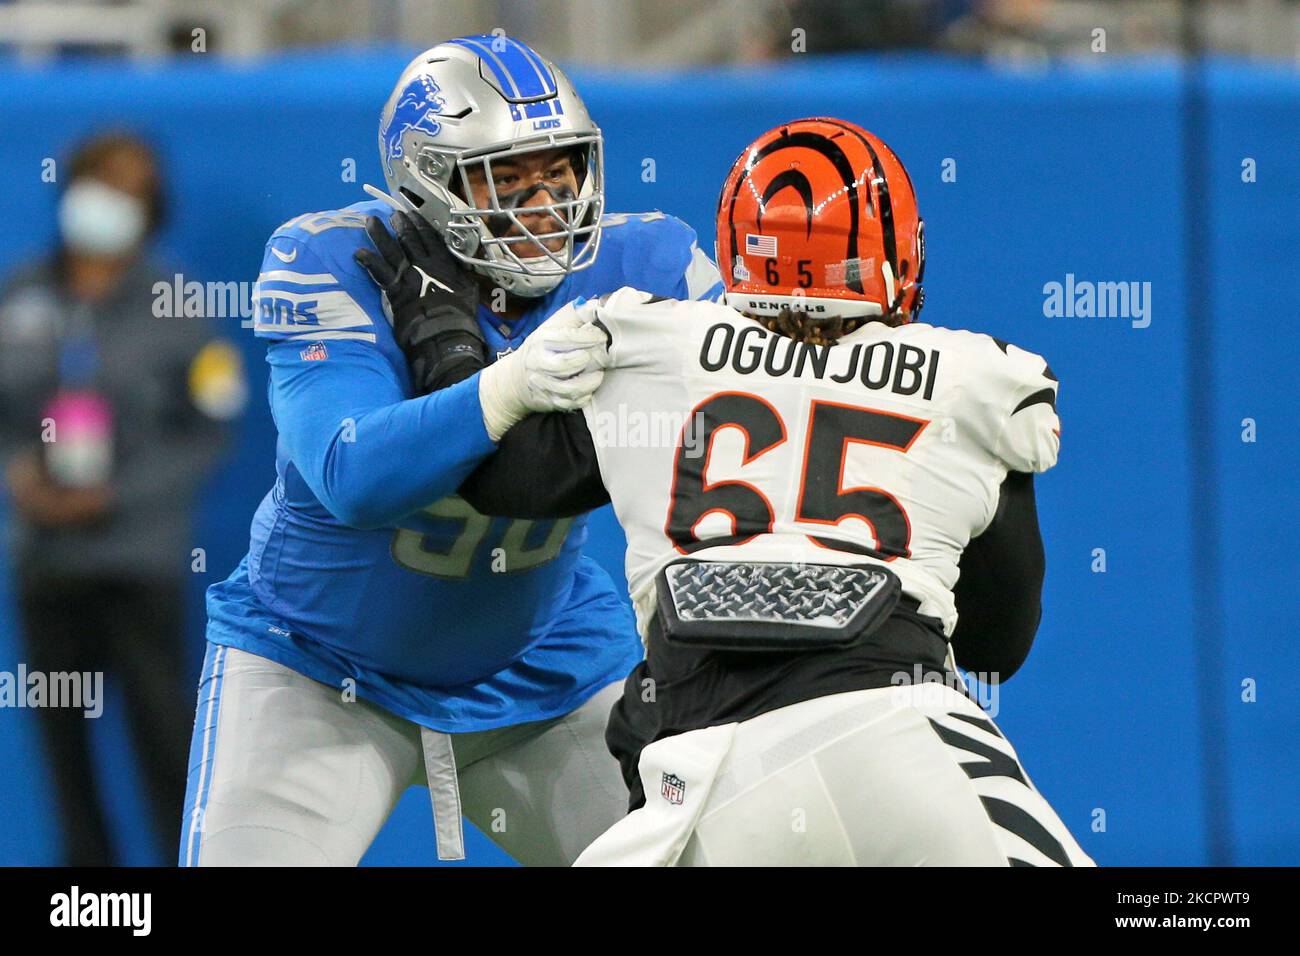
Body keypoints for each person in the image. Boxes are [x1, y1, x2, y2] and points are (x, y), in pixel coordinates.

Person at [442, 117, 1094, 866]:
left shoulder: (647, 348)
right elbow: (997, 647)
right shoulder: (975, 382)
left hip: (694, 782)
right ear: (897, 251)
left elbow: (488, 472)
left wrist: (443, 328)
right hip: (894, 735)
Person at [180, 34, 724, 866]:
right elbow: (351, 474)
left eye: (561, 170)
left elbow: (754, 410)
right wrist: (502, 390)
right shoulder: (333, 259)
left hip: (545, 660)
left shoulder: (647, 259)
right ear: (426, 183)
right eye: (506, 178)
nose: (547, 204)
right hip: (318, 665)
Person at [0, 131, 245, 865]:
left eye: (130, 190)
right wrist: (17, 474)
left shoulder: (179, 303)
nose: (110, 201)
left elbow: (210, 429)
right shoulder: (18, 295)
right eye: (99, 182)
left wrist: (119, 495)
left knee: (163, 740)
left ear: (150, 209)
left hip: (140, 563)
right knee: (63, 753)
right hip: (45, 557)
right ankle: (88, 899)